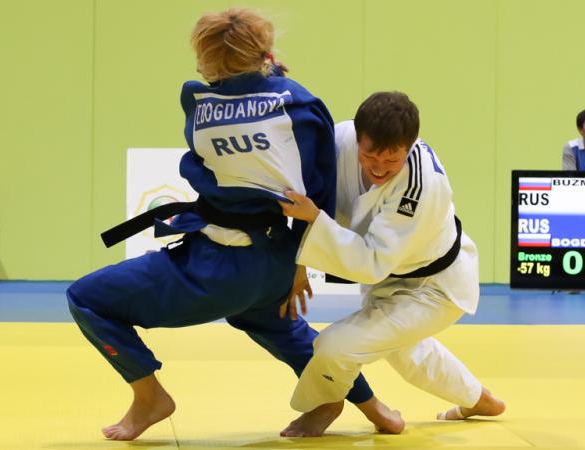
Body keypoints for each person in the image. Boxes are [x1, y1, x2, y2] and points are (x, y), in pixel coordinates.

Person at [67, 9, 392, 441]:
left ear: (208, 59)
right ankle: (378, 410)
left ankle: (149, 396)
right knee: (285, 329)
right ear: (265, 51)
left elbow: (204, 168)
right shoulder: (301, 102)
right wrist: (300, 265)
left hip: (218, 266)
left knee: (86, 298)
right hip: (275, 263)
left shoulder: (198, 102)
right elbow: (319, 195)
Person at [278, 92, 506, 437]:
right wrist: (298, 260)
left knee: (334, 346)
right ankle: (478, 399)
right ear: (358, 137)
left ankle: (326, 402)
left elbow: (370, 261)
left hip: (434, 287)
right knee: (406, 352)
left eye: (392, 159)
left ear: (410, 146)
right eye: (369, 155)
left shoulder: (423, 186)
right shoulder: (340, 140)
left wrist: (314, 220)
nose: (379, 168)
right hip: (389, 272)